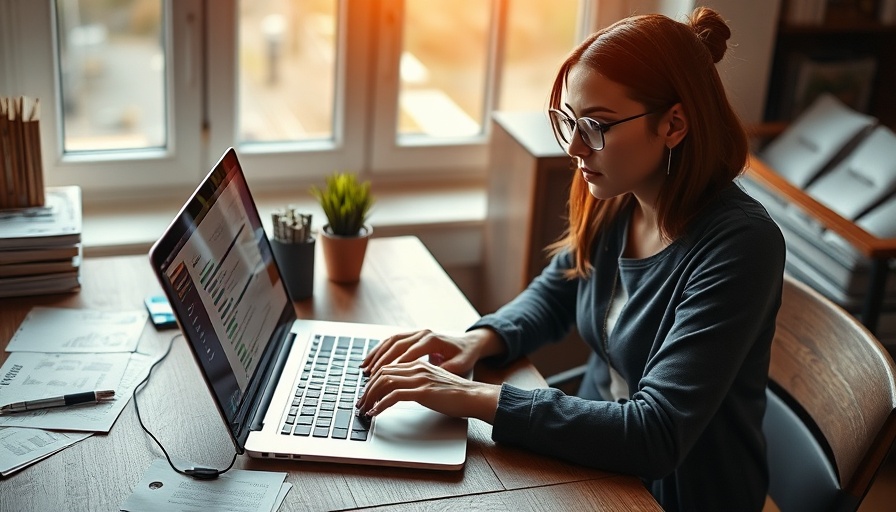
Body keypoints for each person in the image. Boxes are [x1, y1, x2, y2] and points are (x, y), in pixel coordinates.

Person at [357, 7, 785, 511]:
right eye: (569, 122)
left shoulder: (740, 246)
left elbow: (656, 434)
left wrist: (471, 397)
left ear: (674, 124)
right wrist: (477, 341)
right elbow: (561, 286)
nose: (577, 147)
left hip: (671, 495)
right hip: (592, 462)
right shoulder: (623, 196)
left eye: (597, 126)